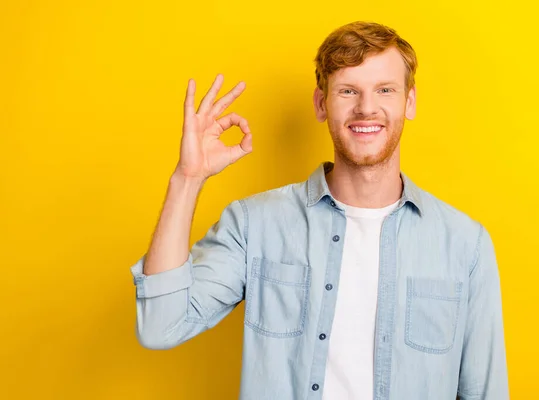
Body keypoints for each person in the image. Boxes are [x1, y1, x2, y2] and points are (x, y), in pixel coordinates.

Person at [129, 20, 509, 400]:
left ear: (408, 102)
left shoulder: (465, 245)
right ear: (321, 103)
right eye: (348, 91)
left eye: (385, 90)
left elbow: (485, 392)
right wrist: (187, 178)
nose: (366, 108)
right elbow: (161, 325)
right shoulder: (253, 225)